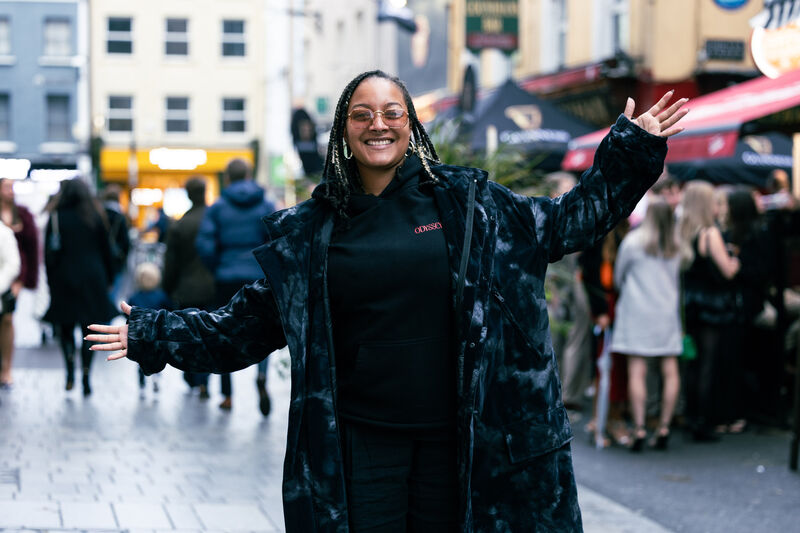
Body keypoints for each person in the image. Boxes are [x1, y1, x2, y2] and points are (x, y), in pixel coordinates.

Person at [88, 70, 687, 532]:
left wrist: (629, 151)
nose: (379, 124)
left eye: (392, 112)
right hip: (358, 445)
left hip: (464, 442)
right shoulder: (313, 233)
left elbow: (564, 226)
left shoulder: (468, 205)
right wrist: (153, 334)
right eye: (363, 114)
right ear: (343, 129)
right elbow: (244, 325)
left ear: (410, 125)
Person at [195, 158, 276, 413]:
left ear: (227, 178)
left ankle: (227, 394)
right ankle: (261, 376)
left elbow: (205, 244)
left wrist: (217, 266)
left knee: (224, 330)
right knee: (266, 328)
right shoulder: (265, 204)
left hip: (226, 277)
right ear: (249, 174)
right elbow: (276, 239)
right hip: (258, 275)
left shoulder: (218, 207)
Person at [610, 199, 682, 451]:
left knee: (636, 371)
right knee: (670, 370)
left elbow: (619, 276)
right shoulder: (676, 245)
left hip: (637, 310)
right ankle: (664, 426)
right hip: (666, 311)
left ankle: (639, 427)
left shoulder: (633, 242)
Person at [678, 181, 741, 442]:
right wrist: (736, 260)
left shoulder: (682, 230)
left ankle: (691, 415)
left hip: (690, 303)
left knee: (692, 363)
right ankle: (703, 421)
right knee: (707, 364)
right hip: (711, 304)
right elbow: (727, 270)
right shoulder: (710, 233)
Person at [45, 178, 116, 396]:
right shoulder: (95, 216)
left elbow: (49, 255)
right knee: (89, 331)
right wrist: (109, 278)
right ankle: (86, 373)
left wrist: (50, 281)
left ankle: (69, 371)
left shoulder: (56, 217)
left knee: (66, 329)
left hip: (64, 279)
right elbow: (108, 251)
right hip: (92, 279)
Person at [162, 177, 216, 399]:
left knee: (189, 333)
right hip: (212, 287)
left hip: (187, 288)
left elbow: (171, 262)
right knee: (211, 334)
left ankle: (192, 374)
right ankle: (204, 381)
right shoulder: (213, 219)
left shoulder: (181, 224)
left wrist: (168, 287)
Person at [0, 178, 38, 387]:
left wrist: (23, 281)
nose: (10, 191)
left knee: (7, 318)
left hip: (14, 274)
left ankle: (6, 368)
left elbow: (32, 249)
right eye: (6, 186)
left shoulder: (22, 213)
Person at [128, 262, 171, 397]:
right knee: (158, 357)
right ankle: (157, 378)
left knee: (140, 360)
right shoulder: (161, 296)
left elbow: (128, 313)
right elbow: (170, 310)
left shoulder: (135, 297)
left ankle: (142, 384)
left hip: (140, 335)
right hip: (157, 334)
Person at [100, 184, 131, 306]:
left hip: (101, 259)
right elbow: (126, 242)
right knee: (114, 291)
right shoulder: (120, 217)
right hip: (116, 260)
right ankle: (107, 320)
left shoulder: (98, 215)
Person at [0, 219, 20, 368]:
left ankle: (6, 368)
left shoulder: (4, 233)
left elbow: (12, 264)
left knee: (6, 323)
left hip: (2, 290)